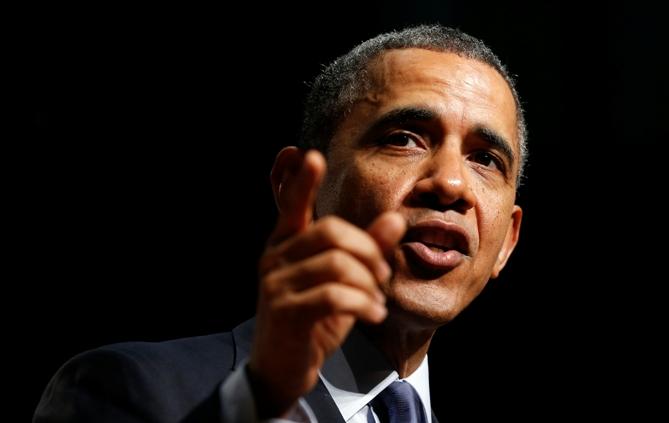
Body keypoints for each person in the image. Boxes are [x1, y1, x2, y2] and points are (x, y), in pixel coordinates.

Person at [34, 24, 526, 423]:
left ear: (506, 241)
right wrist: (258, 401)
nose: (451, 184)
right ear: (299, 187)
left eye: (485, 158)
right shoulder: (128, 389)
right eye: (403, 138)